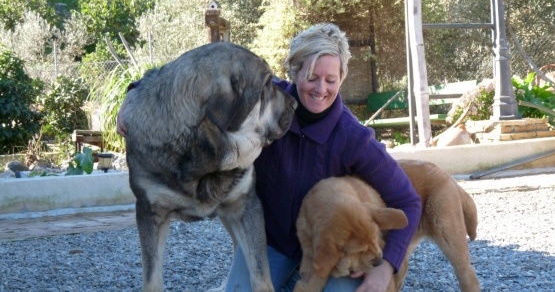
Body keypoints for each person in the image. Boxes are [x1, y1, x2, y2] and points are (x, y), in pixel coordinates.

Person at [117, 23, 422, 292]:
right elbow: (192, 79)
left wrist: (386, 267)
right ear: (294, 71)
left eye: (331, 80)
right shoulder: (261, 100)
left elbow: (408, 200)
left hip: (330, 248)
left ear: (342, 78)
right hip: (273, 242)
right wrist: (135, 94)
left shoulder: (354, 138)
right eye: (312, 77)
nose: (321, 89)